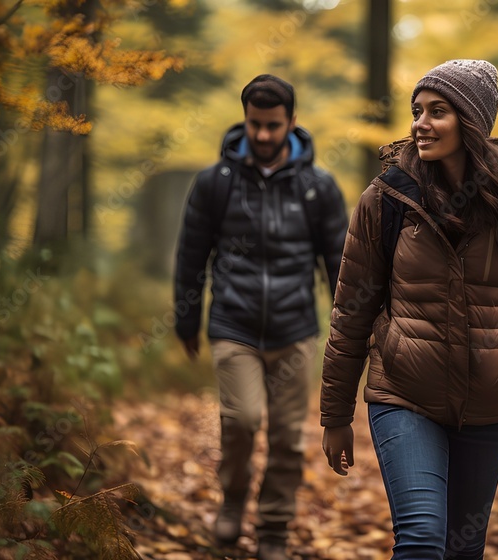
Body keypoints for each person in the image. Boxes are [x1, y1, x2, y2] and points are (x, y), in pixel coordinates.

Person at [319, 59, 498, 559]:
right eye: (417, 111)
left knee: (462, 549)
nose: (420, 123)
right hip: (404, 394)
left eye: (437, 111)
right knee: (422, 537)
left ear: (471, 122)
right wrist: (335, 413)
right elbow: (350, 312)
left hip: (490, 405)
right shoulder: (386, 201)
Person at [173, 74, 348, 559]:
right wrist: (185, 321)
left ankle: (273, 526)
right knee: (244, 420)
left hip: (295, 330)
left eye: (273, 125)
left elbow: (339, 264)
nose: (264, 135)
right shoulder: (215, 183)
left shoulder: (318, 187)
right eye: (255, 124)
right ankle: (232, 501)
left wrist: (349, 329)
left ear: (292, 122)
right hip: (234, 325)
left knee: (289, 439)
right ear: (244, 119)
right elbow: (191, 256)